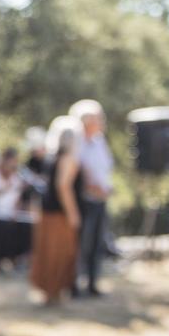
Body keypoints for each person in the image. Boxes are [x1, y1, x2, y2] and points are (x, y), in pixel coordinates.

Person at [31, 117, 82, 305]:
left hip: (47, 211)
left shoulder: (51, 158)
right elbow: (63, 187)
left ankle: (52, 293)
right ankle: (53, 292)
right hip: (58, 214)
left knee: (49, 254)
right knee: (58, 255)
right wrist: (73, 214)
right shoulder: (68, 159)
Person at [71, 98, 114, 296]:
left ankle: (92, 283)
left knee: (97, 243)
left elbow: (105, 169)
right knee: (81, 244)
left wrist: (106, 189)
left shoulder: (99, 142)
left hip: (100, 200)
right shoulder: (76, 142)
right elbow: (78, 172)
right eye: (98, 118)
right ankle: (74, 284)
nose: (102, 122)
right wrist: (93, 187)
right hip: (84, 201)